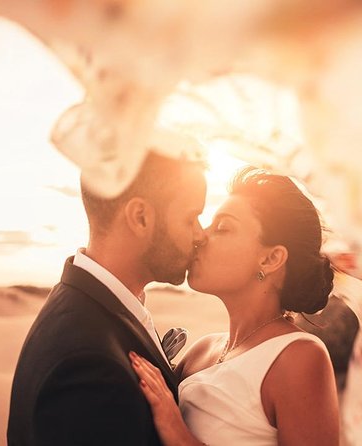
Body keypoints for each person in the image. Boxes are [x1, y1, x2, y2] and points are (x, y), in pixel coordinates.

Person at [7, 151, 207, 445]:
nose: (200, 234)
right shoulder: (88, 368)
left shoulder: (86, 304)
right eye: (191, 218)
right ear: (140, 218)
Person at [130, 167, 340, 445]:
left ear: (270, 259)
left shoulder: (298, 358)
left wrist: (179, 434)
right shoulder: (200, 352)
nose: (200, 236)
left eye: (222, 227)